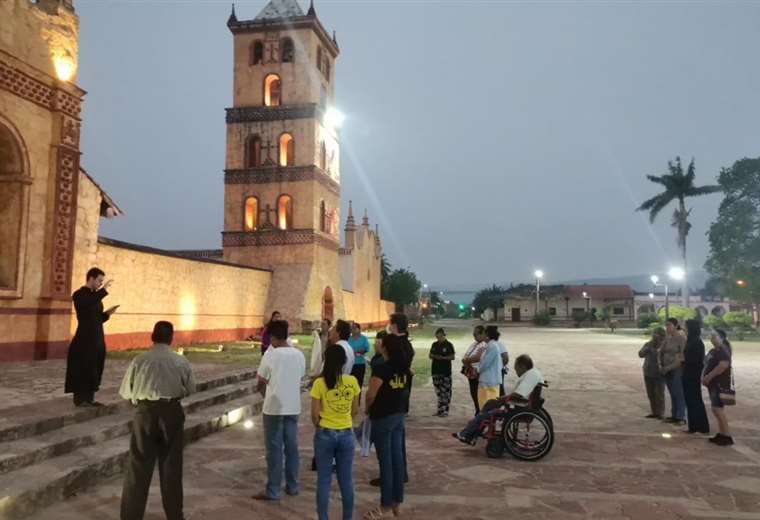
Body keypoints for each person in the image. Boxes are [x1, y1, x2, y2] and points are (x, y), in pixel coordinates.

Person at [119, 321, 196, 520]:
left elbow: (127, 391)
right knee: (172, 465)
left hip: (145, 412)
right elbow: (190, 389)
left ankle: (130, 516)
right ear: (171, 337)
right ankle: (174, 515)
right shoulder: (180, 361)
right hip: (171, 411)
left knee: (138, 466)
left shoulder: (139, 360)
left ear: (152, 336)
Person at [364, 315, 412, 519]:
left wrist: (368, 409)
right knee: (397, 460)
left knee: (386, 462)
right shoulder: (404, 370)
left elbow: (371, 394)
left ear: (385, 348)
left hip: (383, 417)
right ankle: (397, 503)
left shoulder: (381, 369)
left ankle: (384, 505)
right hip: (398, 415)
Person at [253, 320, 306, 501]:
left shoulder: (271, 355)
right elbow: (300, 376)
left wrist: (265, 395)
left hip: (274, 408)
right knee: (292, 447)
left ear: (273, 338)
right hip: (293, 407)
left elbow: (260, 381)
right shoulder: (299, 355)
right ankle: (292, 486)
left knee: (274, 450)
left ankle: (273, 489)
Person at [311, 345, 361, 520]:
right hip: (346, 433)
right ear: (344, 362)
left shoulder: (319, 383)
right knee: (346, 480)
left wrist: (320, 427)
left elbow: (314, 415)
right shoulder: (352, 381)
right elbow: (355, 410)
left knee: (324, 481)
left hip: (325, 432)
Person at [453, 354, 544, 444]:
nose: (516, 372)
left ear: (522, 366)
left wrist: (505, 398)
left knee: (487, 414)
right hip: (521, 404)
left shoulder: (530, 375)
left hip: (519, 407)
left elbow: (519, 394)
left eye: (517, 368)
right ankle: (472, 434)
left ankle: (466, 434)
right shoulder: (533, 373)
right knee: (490, 403)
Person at [65, 267, 118, 407]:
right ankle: (80, 399)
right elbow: (87, 304)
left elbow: (96, 318)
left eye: (102, 281)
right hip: (84, 339)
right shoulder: (80, 294)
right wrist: (103, 291)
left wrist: (107, 314)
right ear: (91, 278)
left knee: (94, 367)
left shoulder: (95, 296)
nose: (101, 283)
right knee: (83, 368)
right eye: (99, 281)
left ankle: (90, 398)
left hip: (97, 338)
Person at [703, 329, 734, 446]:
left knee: (718, 409)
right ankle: (722, 433)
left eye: (714, 336)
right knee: (716, 409)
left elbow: (723, 366)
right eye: (711, 336)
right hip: (713, 384)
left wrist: (709, 376)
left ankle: (726, 435)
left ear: (721, 338)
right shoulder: (714, 350)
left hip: (719, 384)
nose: (712, 338)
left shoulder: (722, 351)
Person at [683, 319, 710, 434]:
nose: (684, 329)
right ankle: (693, 426)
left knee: (695, 400)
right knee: (690, 400)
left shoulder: (697, 342)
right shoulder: (690, 341)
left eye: (686, 327)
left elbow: (698, 360)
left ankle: (702, 426)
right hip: (687, 373)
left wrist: (683, 360)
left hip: (692, 375)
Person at [660, 317, 686, 424]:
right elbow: (660, 352)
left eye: (669, 325)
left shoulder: (681, 338)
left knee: (679, 393)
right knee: (672, 393)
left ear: (676, 326)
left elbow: (682, 358)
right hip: (666, 369)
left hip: (676, 369)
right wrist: (660, 364)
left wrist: (668, 367)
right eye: (666, 325)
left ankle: (681, 417)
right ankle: (674, 415)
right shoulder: (667, 338)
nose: (667, 327)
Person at [638, 327, 666, 419]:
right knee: (651, 394)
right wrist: (647, 348)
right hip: (648, 372)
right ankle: (654, 412)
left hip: (659, 373)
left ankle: (660, 413)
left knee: (659, 394)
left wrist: (654, 348)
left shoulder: (664, 345)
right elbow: (640, 354)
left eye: (657, 334)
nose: (654, 336)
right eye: (654, 334)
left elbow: (660, 355)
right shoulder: (648, 344)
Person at [429, 328, 455, 417]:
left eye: (438, 335)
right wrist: (435, 356)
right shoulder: (434, 344)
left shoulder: (449, 345)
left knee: (446, 392)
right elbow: (430, 355)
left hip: (445, 372)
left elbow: (452, 356)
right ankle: (440, 410)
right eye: (436, 335)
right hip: (435, 371)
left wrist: (442, 358)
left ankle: (445, 410)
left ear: (443, 334)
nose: (437, 336)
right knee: (439, 392)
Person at [461, 326, 487, 415]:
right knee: (473, 391)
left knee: (477, 392)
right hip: (470, 370)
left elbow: (477, 357)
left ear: (482, 334)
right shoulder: (474, 343)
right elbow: (467, 354)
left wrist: (467, 360)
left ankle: (479, 410)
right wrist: (465, 360)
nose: (474, 336)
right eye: (473, 334)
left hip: (477, 371)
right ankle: (477, 409)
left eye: (476, 334)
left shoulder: (484, 344)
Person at [477, 327, 503, 411]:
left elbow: (485, 363)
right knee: (485, 406)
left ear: (487, 335)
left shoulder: (492, 346)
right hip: (489, 380)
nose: (482, 335)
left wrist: (477, 370)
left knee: (487, 406)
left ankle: (487, 422)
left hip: (489, 381)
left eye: (484, 333)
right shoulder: (490, 345)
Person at [349, 322, 371, 387]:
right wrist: (357, 351)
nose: (352, 330)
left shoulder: (363, 338)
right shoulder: (348, 338)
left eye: (354, 328)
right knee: (350, 384)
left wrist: (354, 352)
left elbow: (366, 349)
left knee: (359, 383)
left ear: (359, 329)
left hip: (360, 364)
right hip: (350, 364)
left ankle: (358, 397)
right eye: (351, 328)